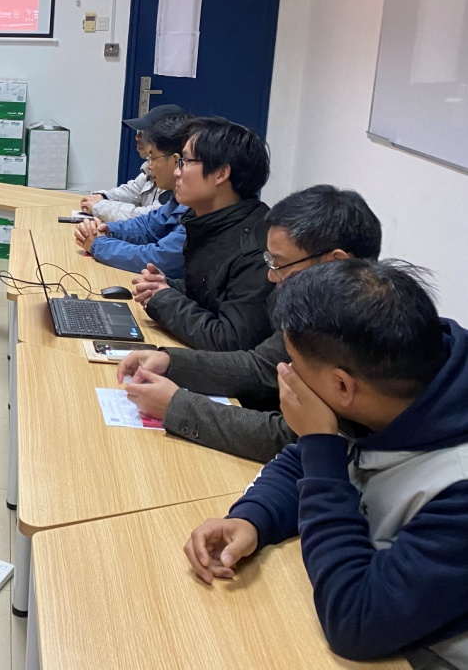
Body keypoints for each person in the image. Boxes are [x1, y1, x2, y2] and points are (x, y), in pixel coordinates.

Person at [184, 260, 468, 668]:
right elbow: (305, 462)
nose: (285, 372)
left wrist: (318, 441)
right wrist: (253, 517)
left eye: (292, 364)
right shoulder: (400, 380)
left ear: (341, 386)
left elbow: (356, 622)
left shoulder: (458, 487)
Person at [116, 185, 382, 463]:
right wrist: (170, 362)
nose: (270, 276)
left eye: (280, 264)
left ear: (335, 262)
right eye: (270, 261)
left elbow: (292, 437)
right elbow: (261, 366)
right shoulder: (317, 306)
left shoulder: (362, 332)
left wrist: (176, 406)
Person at [131, 117, 273, 351]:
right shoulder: (208, 221)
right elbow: (210, 297)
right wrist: (166, 286)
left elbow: (231, 341)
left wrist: (164, 299)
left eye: (185, 161)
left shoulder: (255, 248)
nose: (177, 172)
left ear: (220, 174)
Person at [75, 115, 191, 277]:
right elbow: (148, 225)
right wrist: (108, 230)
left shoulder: (200, 206)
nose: (149, 165)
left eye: (188, 162)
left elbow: (161, 259)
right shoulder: (182, 199)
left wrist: (99, 244)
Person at [80, 104, 186, 223]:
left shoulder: (180, 183)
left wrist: (99, 207)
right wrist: (103, 197)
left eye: (146, 132)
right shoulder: (152, 166)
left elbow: (150, 219)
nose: (137, 137)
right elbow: (133, 190)